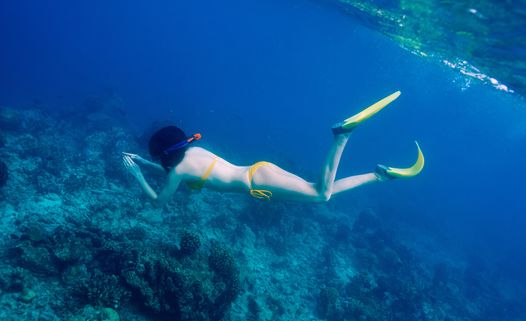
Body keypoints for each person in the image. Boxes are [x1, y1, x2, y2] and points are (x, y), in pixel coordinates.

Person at [123, 91, 424, 206]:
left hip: (258, 180)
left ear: (164, 154)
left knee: (322, 194)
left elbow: (160, 201)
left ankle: (342, 137)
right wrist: (144, 163)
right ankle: (380, 175)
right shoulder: (191, 155)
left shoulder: (179, 169)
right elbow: (174, 171)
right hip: (259, 171)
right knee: (318, 190)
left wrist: (136, 174)